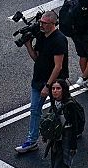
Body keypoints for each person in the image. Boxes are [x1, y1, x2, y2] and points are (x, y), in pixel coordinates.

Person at [16, 10, 68, 155]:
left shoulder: (59, 39)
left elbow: (58, 66)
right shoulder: (40, 36)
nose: (41, 25)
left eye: (44, 23)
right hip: (38, 80)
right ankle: (32, 141)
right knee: (34, 110)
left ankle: (67, 131)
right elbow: (36, 58)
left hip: (54, 82)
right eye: (41, 22)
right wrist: (28, 45)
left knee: (60, 109)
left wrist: (48, 86)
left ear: (53, 24)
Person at [40, 78, 87, 168]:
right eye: (53, 88)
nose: (55, 91)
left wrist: (72, 141)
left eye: (58, 88)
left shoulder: (70, 105)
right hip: (56, 140)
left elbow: (76, 125)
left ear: (64, 90)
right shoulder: (55, 102)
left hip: (66, 140)